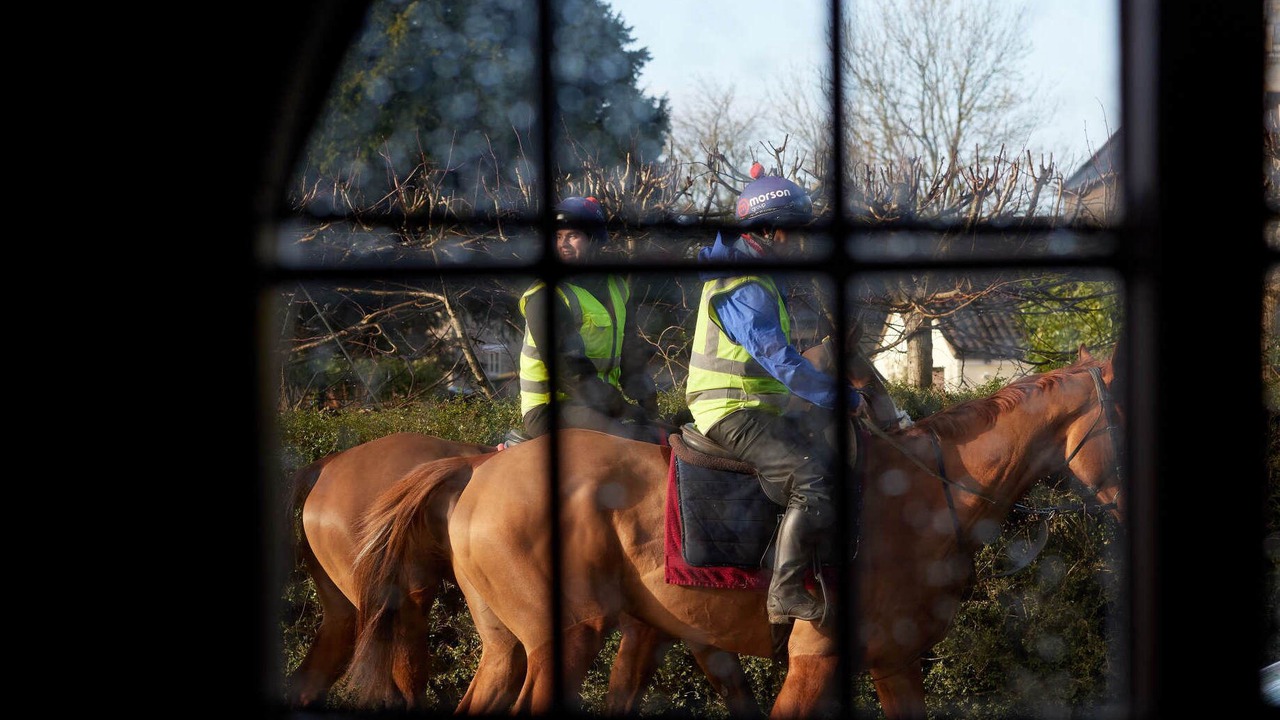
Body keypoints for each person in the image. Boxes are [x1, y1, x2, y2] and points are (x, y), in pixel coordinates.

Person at [684, 168, 863, 626]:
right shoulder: (743, 282)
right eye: (793, 231)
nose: (799, 241)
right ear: (766, 229)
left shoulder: (757, 275)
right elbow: (779, 360)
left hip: (753, 407)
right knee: (814, 479)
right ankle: (783, 593)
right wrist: (837, 396)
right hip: (729, 410)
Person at [517, 196, 660, 442]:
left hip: (599, 404)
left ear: (594, 240)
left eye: (572, 236)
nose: (563, 244)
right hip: (550, 409)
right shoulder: (544, 296)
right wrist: (623, 409)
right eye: (558, 237)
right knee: (627, 442)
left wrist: (647, 400)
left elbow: (630, 353)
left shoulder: (617, 288)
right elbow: (569, 372)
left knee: (661, 438)